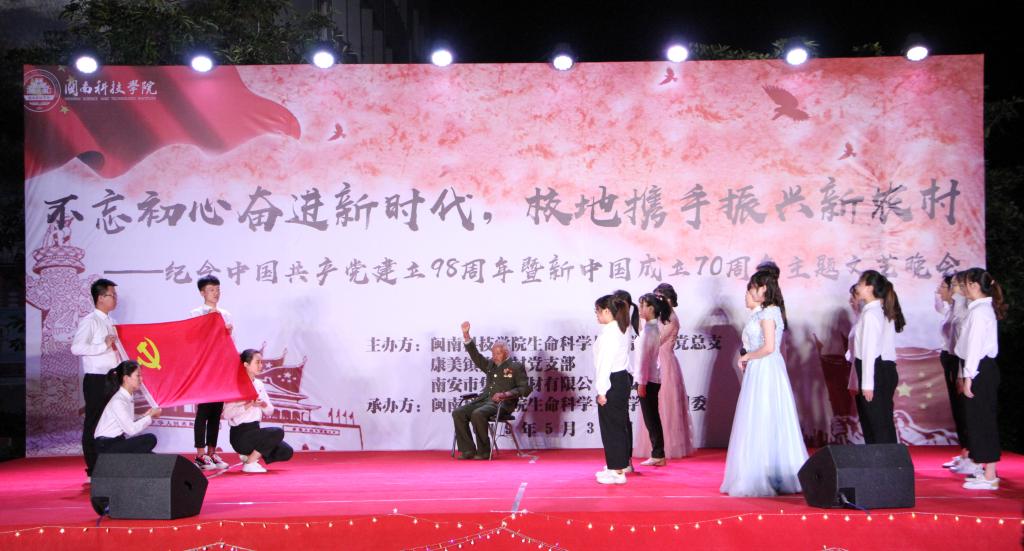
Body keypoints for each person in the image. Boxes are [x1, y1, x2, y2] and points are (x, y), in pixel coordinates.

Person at [720, 270, 807, 497]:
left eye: (753, 287)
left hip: (767, 369)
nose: (749, 292)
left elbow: (769, 347)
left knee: (765, 418)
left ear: (764, 289)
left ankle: (768, 475)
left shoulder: (769, 312)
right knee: (759, 419)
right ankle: (764, 472)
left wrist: (747, 356)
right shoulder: (762, 312)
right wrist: (748, 357)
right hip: (759, 369)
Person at [70, 279, 132, 476]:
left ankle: (114, 465)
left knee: (115, 421)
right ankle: (94, 468)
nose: (115, 299)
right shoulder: (90, 321)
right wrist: (103, 345)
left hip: (113, 378)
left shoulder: (110, 322)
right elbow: (76, 348)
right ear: (100, 298)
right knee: (94, 422)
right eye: (112, 295)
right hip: (97, 379)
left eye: (115, 295)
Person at [955, 268, 1006, 490]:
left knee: (983, 420)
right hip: (979, 368)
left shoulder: (979, 311)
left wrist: (968, 376)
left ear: (975, 286)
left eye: (965, 284)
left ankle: (990, 475)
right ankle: (986, 471)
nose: (963, 288)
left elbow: (974, 346)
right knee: (978, 419)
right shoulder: (979, 309)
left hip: (979, 369)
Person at [452, 322, 531, 460]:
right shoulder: (490, 365)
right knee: (458, 412)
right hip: (484, 401)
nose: (494, 356)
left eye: (498, 353)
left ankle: (483, 451)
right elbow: (476, 356)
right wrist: (466, 336)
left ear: (506, 353)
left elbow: (525, 389)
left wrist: (505, 394)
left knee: (477, 414)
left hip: (503, 404)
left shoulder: (515, 367)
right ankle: (468, 450)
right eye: (493, 353)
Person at [636, 283, 694, 462]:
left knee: (666, 405)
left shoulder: (672, 319)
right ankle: (655, 447)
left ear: (668, 299)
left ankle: (667, 447)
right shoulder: (658, 319)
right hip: (654, 362)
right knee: (654, 407)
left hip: (665, 364)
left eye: (660, 298)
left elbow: (657, 341)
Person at [847, 270, 905, 444]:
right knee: (876, 423)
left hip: (875, 370)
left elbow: (869, 352)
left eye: (860, 284)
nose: (857, 287)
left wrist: (867, 384)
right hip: (874, 370)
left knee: (878, 424)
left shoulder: (872, 314)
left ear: (869, 288)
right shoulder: (871, 312)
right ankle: (879, 458)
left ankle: (886, 459)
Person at [223, 349, 293, 473]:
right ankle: (250, 463)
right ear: (246, 364)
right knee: (277, 432)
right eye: (257, 362)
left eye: (261, 362)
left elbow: (270, 411)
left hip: (255, 430)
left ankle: (248, 456)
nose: (261, 365)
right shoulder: (236, 384)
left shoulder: (259, 384)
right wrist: (250, 404)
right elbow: (227, 414)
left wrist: (263, 405)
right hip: (241, 435)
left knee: (286, 451)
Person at [189, 275, 233, 470]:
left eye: (217, 289)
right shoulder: (195, 314)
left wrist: (227, 334)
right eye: (211, 290)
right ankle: (200, 455)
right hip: (204, 368)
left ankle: (212, 452)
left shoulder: (226, 314)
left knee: (216, 411)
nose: (216, 293)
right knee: (203, 411)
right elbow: (193, 340)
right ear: (202, 293)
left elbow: (229, 343)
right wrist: (212, 324)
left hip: (220, 367)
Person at [593, 294, 633, 484]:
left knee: (612, 428)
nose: (596, 315)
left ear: (607, 311)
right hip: (620, 379)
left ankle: (618, 472)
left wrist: (602, 390)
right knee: (618, 425)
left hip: (612, 381)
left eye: (597, 311)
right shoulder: (621, 328)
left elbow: (605, 364)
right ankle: (616, 466)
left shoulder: (610, 333)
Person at [936, 273, 970, 472]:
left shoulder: (965, 308)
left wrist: (960, 372)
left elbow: (961, 343)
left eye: (945, 286)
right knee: (958, 409)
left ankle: (971, 454)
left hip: (958, 361)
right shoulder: (952, 308)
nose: (939, 290)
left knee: (964, 409)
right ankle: (965, 451)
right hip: (950, 358)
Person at [94, 361, 162, 455]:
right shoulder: (118, 401)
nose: (141, 379)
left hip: (116, 442)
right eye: (138, 376)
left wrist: (145, 415)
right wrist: (149, 416)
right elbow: (131, 430)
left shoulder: (127, 397)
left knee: (151, 456)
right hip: (106, 446)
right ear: (126, 378)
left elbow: (128, 418)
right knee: (150, 439)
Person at [633, 293, 667, 467]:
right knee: (652, 417)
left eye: (642, 306)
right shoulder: (650, 328)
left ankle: (658, 454)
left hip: (648, 380)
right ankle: (658, 453)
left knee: (651, 418)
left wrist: (641, 383)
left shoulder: (649, 331)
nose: (640, 309)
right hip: (651, 378)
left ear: (651, 308)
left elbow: (643, 360)